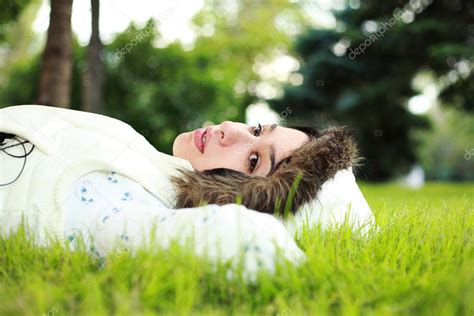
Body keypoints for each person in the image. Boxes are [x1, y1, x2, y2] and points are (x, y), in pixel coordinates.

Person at [0, 104, 374, 278]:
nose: (231, 129)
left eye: (254, 161)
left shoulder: (140, 207)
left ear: (250, 202)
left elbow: (235, 239)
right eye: (259, 129)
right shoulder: (155, 165)